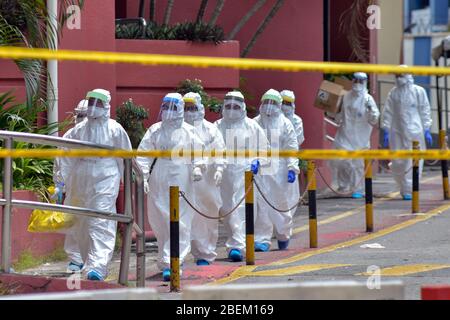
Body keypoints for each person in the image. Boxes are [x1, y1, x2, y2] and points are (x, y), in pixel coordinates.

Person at [61, 89, 132, 281]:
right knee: (83, 222)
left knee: (100, 219)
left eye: (98, 103)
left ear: (107, 106)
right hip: (81, 177)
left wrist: (128, 183)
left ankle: (98, 265)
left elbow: (125, 157)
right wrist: (61, 183)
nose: (93, 107)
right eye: (91, 102)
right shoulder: (78, 130)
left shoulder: (115, 129)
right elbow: (66, 157)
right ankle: (88, 261)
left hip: (106, 175)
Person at [137, 93, 204, 281]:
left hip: (181, 175)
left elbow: (199, 152)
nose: (168, 111)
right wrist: (142, 176)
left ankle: (173, 260)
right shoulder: (155, 130)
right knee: (160, 220)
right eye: (165, 106)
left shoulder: (189, 131)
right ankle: (165, 257)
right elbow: (143, 154)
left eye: (173, 107)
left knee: (179, 221)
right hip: (159, 175)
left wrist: (198, 167)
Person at [215, 91, 270, 262]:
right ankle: (236, 242)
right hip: (223, 174)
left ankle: (237, 246)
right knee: (227, 210)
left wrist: (257, 161)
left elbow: (265, 149)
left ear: (243, 107)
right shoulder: (217, 126)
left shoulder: (252, 126)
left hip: (245, 173)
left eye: (236, 107)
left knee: (242, 209)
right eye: (228, 106)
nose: (232, 110)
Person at [253, 89, 300, 252]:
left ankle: (283, 234)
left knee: (280, 204)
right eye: (266, 102)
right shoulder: (255, 122)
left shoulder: (285, 124)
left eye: (273, 103)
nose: (269, 107)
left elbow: (292, 147)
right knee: (262, 206)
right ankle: (262, 239)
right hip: (261, 170)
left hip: (280, 170)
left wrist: (292, 167)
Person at [183, 92, 226, 266]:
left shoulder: (211, 130)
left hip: (206, 182)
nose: (190, 112)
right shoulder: (176, 128)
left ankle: (205, 253)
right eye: (186, 108)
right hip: (182, 180)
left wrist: (219, 169)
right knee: (183, 218)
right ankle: (178, 255)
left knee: (207, 216)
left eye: (193, 108)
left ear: (200, 108)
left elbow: (219, 151)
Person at [381, 66, 432, 200]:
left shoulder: (418, 91)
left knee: (413, 160)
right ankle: (403, 185)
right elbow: (388, 111)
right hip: (397, 131)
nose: (398, 78)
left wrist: (427, 129)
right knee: (398, 161)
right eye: (396, 75)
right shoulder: (393, 93)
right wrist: (386, 129)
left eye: (400, 75)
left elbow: (425, 110)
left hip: (415, 131)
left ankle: (409, 189)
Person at [328, 73, 380, 199]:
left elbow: (374, 118)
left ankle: (358, 188)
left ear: (365, 82)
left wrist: (371, 112)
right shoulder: (346, 97)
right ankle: (344, 185)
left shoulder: (368, 99)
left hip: (361, 138)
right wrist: (332, 112)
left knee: (357, 165)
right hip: (345, 135)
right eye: (355, 80)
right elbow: (340, 115)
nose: (357, 83)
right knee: (340, 160)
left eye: (361, 81)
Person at [53, 99, 89, 200]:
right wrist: (59, 187)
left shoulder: (102, 135)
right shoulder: (69, 135)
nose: (83, 118)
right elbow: (60, 163)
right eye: (80, 115)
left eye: (85, 115)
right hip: (73, 189)